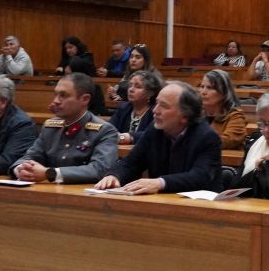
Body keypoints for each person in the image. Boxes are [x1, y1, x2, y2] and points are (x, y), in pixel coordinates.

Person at [94, 82, 223, 194]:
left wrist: (160, 183)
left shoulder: (207, 137)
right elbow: (131, 162)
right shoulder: (155, 130)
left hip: (202, 209)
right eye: (156, 103)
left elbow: (200, 177)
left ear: (185, 116)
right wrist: (114, 176)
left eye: (164, 106)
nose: (155, 110)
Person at [12, 73, 118, 184]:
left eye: (63, 95)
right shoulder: (50, 127)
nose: (56, 101)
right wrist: (20, 169)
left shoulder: (104, 131)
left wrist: (50, 173)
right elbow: (30, 157)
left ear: (85, 99)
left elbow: (99, 170)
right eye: (56, 95)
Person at [110, 70, 163, 146]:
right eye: (130, 85)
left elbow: (155, 134)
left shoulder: (156, 111)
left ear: (150, 93)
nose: (131, 89)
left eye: (138, 86)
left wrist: (129, 137)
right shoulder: (123, 108)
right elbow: (109, 128)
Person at [199, 69, 247, 149]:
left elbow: (226, 141)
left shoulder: (235, 116)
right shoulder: (197, 113)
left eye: (210, 88)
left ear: (224, 92)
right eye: (202, 86)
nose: (203, 92)